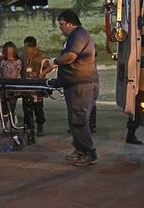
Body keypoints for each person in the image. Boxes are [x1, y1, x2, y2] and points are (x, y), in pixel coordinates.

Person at [50, 10, 99, 167]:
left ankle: (88, 153)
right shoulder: (72, 37)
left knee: (79, 120)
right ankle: (80, 150)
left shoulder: (79, 35)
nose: (60, 28)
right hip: (74, 85)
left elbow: (71, 57)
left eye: (61, 24)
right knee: (74, 120)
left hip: (81, 85)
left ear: (70, 23)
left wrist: (55, 62)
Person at [22, 36, 51, 140]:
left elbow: (52, 65)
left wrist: (42, 74)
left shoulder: (41, 56)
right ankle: (28, 127)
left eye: (28, 49)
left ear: (34, 48)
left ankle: (40, 125)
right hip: (26, 88)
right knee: (26, 109)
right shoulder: (23, 56)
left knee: (38, 109)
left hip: (37, 88)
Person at [0, 41, 22, 133]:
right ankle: (4, 126)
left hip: (13, 87)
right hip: (4, 87)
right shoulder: (3, 62)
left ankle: (12, 126)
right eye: (8, 51)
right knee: (4, 108)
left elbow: (18, 74)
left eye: (11, 51)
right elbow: (1, 73)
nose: (9, 53)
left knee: (12, 107)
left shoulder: (18, 61)